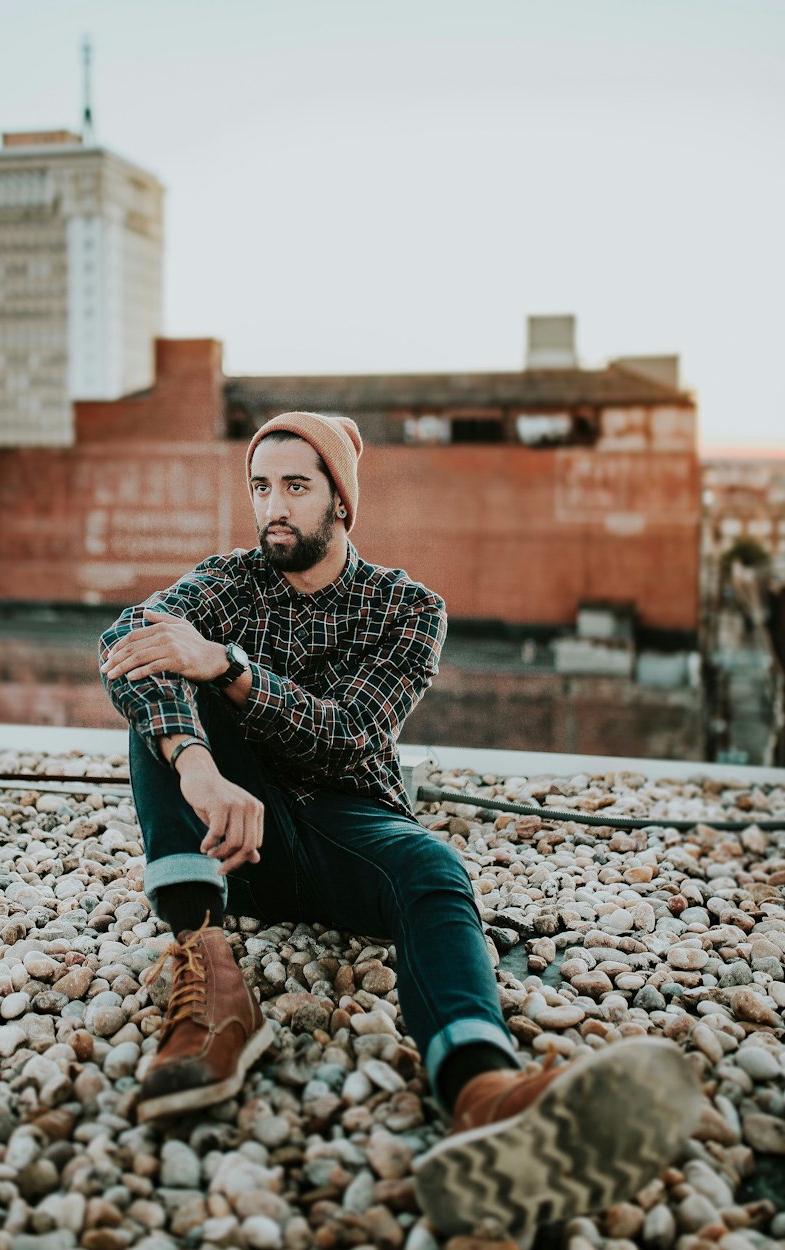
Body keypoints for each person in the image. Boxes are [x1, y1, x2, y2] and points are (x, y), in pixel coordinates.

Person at [99, 411, 701, 1239]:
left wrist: (229, 667)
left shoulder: (407, 608)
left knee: (435, 872)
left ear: (341, 503)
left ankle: (481, 1092)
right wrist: (196, 765)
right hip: (234, 840)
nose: (274, 506)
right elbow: (127, 638)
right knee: (165, 672)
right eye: (261, 487)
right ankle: (211, 986)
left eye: (297, 487)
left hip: (353, 823)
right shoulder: (229, 581)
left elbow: (349, 733)